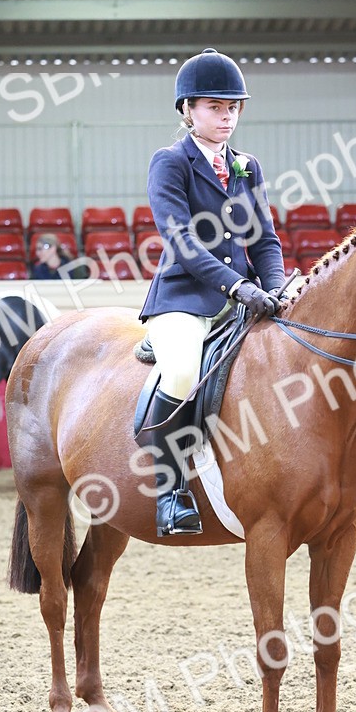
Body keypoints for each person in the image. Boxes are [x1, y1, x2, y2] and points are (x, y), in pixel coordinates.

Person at [139, 47, 286, 537]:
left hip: (243, 298)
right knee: (181, 374)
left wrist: (278, 287)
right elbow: (181, 243)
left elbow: (264, 239)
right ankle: (171, 490)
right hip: (184, 299)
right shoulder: (170, 162)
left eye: (232, 108)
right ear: (188, 111)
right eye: (214, 108)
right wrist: (239, 286)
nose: (227, 118)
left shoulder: (247, 166)